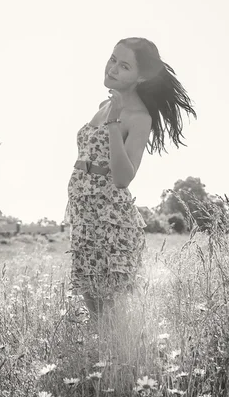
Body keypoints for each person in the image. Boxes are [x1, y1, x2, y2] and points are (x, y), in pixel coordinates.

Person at [65, 37, 197, 324]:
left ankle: (121, 362)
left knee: (109, 310)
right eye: (113, 59)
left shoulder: (139, 117)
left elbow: (123, 178)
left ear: (142, 76)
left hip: (110, 220)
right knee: (93, 307)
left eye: (124, 65)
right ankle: (101, 361)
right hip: (84, 216)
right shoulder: (104, 104)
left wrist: (113, 123)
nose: (112, 68)